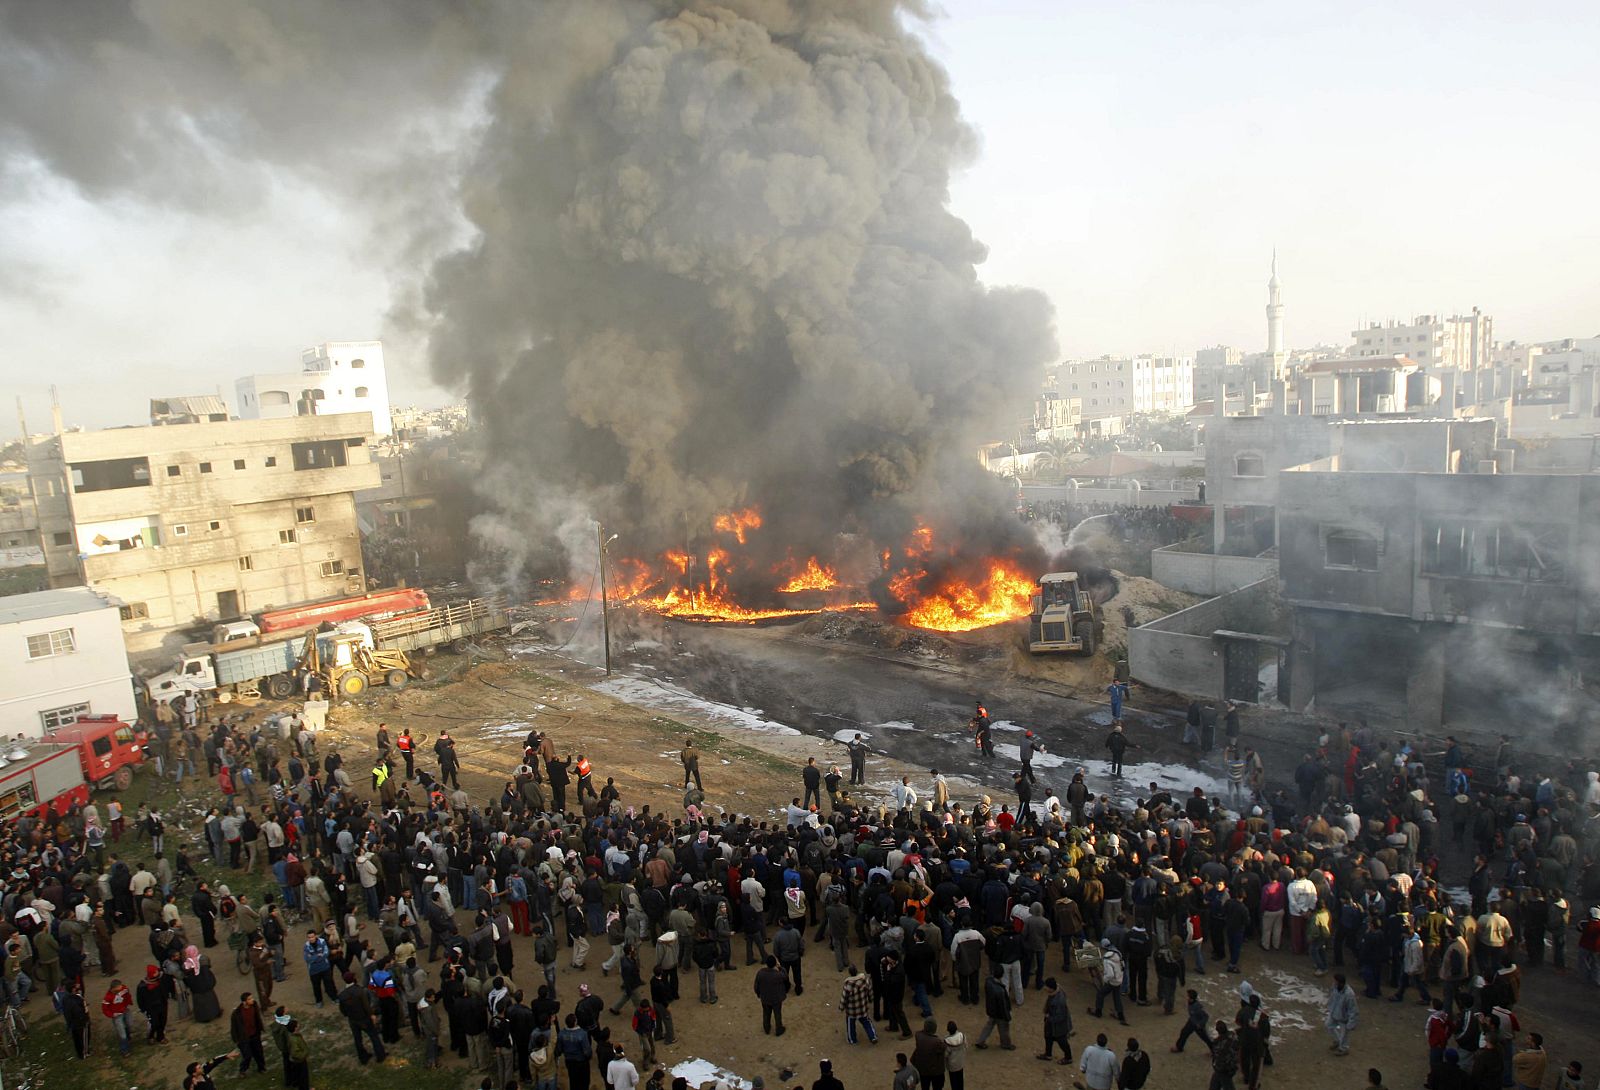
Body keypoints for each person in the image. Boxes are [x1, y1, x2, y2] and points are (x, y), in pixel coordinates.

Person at [973, 967, 1014, 1051]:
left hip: (991, 1010)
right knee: (1004, 1029)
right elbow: (1003, 1006)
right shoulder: (1000, 991)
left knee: (989, 1026)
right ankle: (1006, 1044)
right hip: (1000, 1013)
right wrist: (1007, 1016)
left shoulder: (988, 982)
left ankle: (980, 1041)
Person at [230, 991, 269, 1076]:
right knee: (247, 1055)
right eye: (249, 999)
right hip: (244, 1038)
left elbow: (258, 1018)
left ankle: (261, 1068)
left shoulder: (254, 1006)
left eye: (252, 998)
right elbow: (234, 1028)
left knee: (258, 1052)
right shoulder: (237, 1013)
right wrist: (236, 1040)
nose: (252, 1000)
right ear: (244, 1002)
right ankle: (243, 1070)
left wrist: (260, 1028)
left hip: (255, 1034)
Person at [841, 964, 878, 1045]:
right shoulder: (865, 980)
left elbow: (844, 997)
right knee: (866, 1022)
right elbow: (870, 991)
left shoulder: (848, 984)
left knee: (851, 1024)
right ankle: (873, 1036)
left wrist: (841, 1007)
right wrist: (871, 999)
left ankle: (852, 1040)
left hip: (851, 1009)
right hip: (862, 1007)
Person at [755, 954, 790, 1036]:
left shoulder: (760, 973)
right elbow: (785, 976)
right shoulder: (778, 974)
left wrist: (758, 994)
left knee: (766, 1013)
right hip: (776, 999)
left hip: (765, 998)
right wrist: (780, 967)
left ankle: (766, 1028)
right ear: (775, 964)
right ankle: (779, 1029)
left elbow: (756, 986)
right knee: (777, 1014)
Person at [1039, 977, 1073, 1063]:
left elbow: (1060, 1017)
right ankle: (1048, 1054)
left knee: (1062, 1041)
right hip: (1052, 1023)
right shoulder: (1057, 991)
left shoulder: (1059, 1001)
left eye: (1046, 986)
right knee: (1048, 1037)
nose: (1044, 988)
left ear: (1051, 988)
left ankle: (1068, 1058)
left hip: (1059, 1026)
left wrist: (1049, 1017)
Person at [1325, 973, 1357, 1057]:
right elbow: (1332, 997)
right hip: (1334, 1012)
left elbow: (1353, 1010)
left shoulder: (1349, 994)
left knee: (1344, 1034)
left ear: (1340, 983)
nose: (1334, 983)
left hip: (1344, 1018)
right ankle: (1338, 1040)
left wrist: (1351, 1023)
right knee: (1328, 1025)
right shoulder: (1335, 987)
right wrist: (1330, 1006)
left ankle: (1344, 1048)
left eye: (1335, 981)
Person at [1171, 989, 1212, 1054]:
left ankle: (1214, 1051)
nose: (1186, 997)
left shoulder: (1198, 1007)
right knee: (1184, 1032)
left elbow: (1206, 1016)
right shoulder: (1190, 1003)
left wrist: (1200, 1024)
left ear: (1191, 998)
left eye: (1187, 996)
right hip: (1191, 1022)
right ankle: (1179, 1047)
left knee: (1205, 1038)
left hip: (1198, 1025)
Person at [101, 978, 134, 1055]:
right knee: (121, 1032)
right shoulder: (107, 998)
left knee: (129, 1024)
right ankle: (124, 1050)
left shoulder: (123, 989)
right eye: (119, 988)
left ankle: (128, 1038)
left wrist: (128, 1002)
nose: (121, 989)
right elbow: (105, 1009)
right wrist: (112, 1014)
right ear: (113, 988)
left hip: (125, 1010)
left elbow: (127, 993)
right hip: (117, 1015)